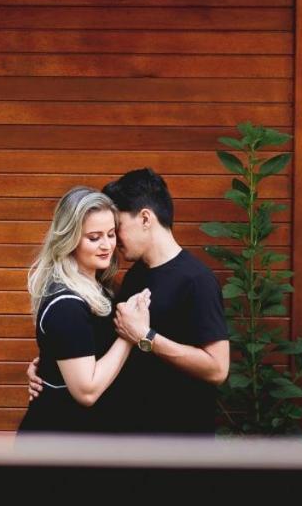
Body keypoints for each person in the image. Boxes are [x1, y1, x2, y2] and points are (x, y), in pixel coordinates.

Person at [26, 169, 230, 435]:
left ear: (145, 218)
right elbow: (97, 337)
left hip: (179, 438)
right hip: (133, 434)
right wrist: (52, 365)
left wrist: (146, 337)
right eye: (97, 235)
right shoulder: (135, 276)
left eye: (115, 229)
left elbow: (218, 369)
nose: (113, 242)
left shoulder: (197, 280)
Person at [16, 186, 151, 435]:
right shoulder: (66, 304)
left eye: (111, 234)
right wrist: (130, 335)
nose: (107, 245)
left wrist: (46, 367)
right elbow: (86, 392)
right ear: (69, 239)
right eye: (94, 237)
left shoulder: (101, 286)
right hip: (60, 444)